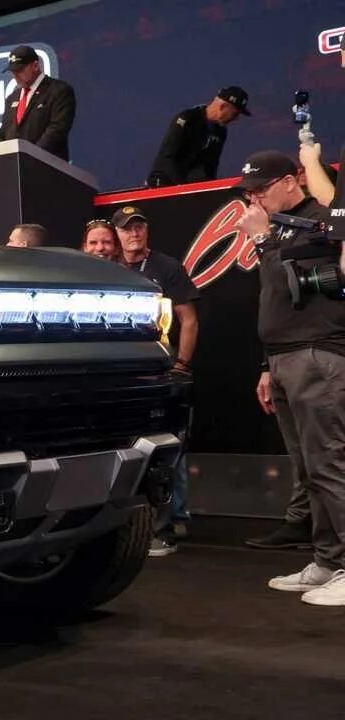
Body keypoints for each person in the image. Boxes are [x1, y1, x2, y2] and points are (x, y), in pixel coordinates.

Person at [236, 150, 345, 605]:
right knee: (309, 469)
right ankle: (328, 561)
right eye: (249, 193)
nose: (255, 199)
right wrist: (267, 365)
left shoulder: (322, 220)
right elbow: (275, 302)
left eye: (261, 189)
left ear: (290, 180)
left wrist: (262, 241)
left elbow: (294, 286)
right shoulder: (279, 227)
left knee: (330, 463)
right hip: (283, 357)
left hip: (316, 353)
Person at [113, 205, 200, 556]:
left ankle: (169, 523)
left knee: (167, 445)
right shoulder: (109, 267)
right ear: (117, 234)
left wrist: (181, 364)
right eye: (126, 228)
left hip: (161, 368)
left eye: (139, 227)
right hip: (122, 371)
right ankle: (145, 522)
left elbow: (189, 320)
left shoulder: (166, 266)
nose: (134, 233)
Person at [146, 87, 250, 187]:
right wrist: (183, 186)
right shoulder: (188, 119)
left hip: (191, 186)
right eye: (234, 114)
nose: (236, 118)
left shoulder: (220, 131)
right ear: (222, 106)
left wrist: (209, 189)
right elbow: (167, 157)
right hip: (164, 183)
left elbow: (211, 166)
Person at [0, 45, 76, 161]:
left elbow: (57, 130)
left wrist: (30, 157)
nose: (16, 76)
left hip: (46, 166)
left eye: (20, 70)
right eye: (13, 71)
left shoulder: (59, 91)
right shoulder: (12, 98)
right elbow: (3, 133)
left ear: (35, 66)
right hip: (15, 168)